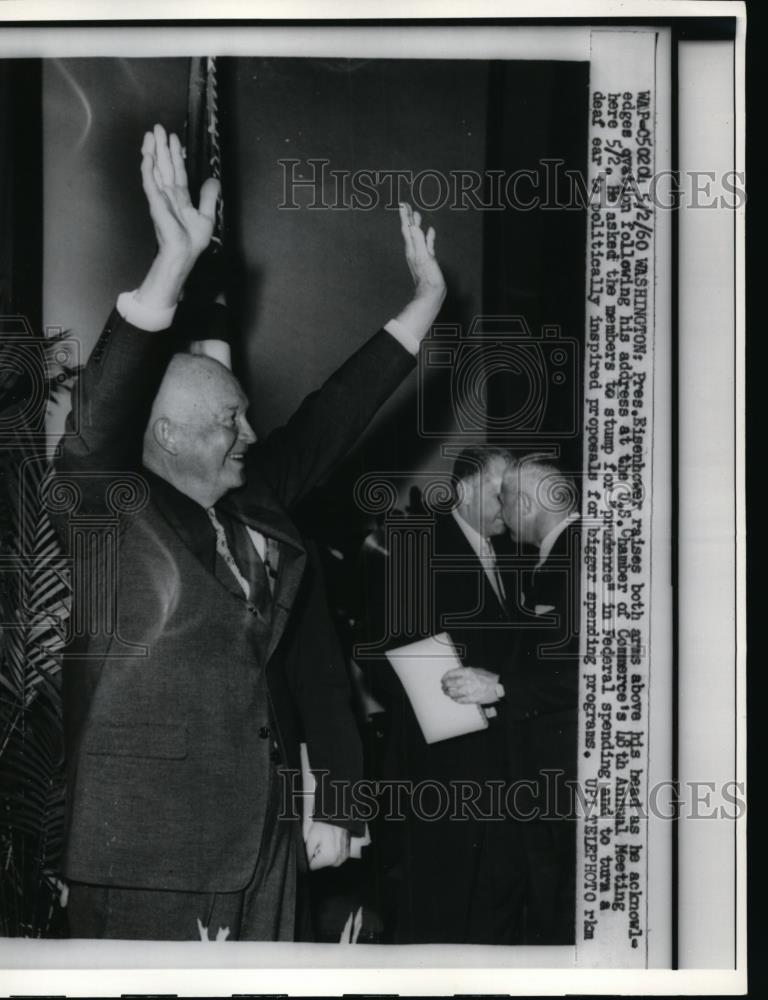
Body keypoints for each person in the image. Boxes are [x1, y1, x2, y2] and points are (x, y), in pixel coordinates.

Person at [53, 124, 446, 941]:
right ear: (167, 434)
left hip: (264, 845)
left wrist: (422, 309)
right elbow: (90, 434)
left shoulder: (254, 498)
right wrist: (169, 268)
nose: (250, 435)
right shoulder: (109, 511)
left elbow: (330, 418)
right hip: (146, 857)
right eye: (229, 420)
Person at [362, 446, 528, 944]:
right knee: (436, 910)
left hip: (501, 762)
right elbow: (376, 648)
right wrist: (456, 694)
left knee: (489, 908)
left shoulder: (514, 553)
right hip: (441, 765)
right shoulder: (417, 545)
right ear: (465, 489)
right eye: (503, 493)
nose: (512, 506)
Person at [444, 452, 581, 943]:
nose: (501, 511)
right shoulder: (559, 552)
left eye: (506, 499)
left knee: (562, 913)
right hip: (545, 773)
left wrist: (501, 686)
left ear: (525, 503)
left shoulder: (579, 553)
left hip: (563, 775)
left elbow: (592, 671)